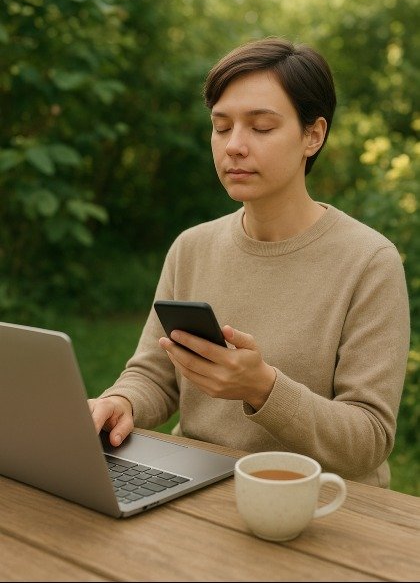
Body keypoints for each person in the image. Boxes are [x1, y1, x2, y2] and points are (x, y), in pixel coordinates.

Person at [89, 37, 410, 488]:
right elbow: (154, 375)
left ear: (312, 135)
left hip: (319, 507)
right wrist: (122, 401)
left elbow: (369, 439)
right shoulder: (191, 247)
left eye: (260, 127)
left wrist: (263, 388)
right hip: (196, 486)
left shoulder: (368, 261)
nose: (234, 146)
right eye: (221, 127)